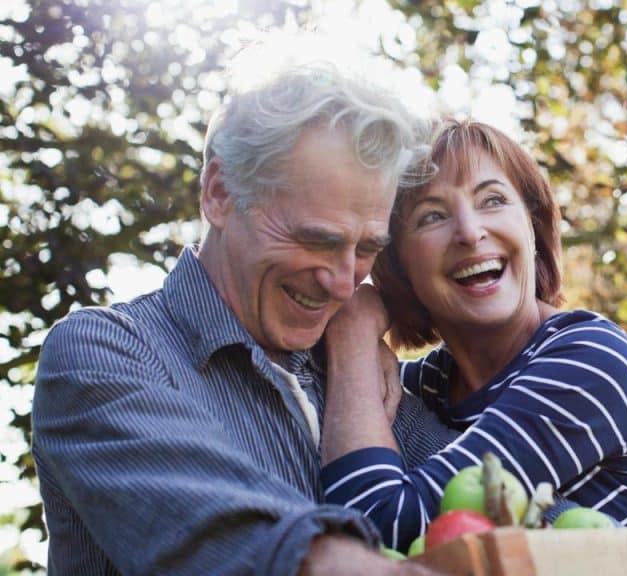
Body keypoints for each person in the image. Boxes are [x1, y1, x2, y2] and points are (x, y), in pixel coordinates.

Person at [31, 39, 442, 575]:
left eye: (366, 248)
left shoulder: (352, 372)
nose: (344, 284)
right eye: (315, 239)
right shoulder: (103, 355)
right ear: (219, 193)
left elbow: (515, 501)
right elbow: (235, 541)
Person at [318, 119, 627, 565]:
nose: (469, 232)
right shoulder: (426, 385)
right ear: (399, 265)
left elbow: (377, 526)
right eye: (433, 215)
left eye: (493, 200)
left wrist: (352, 334)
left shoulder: (591, 360)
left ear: (533, 227)